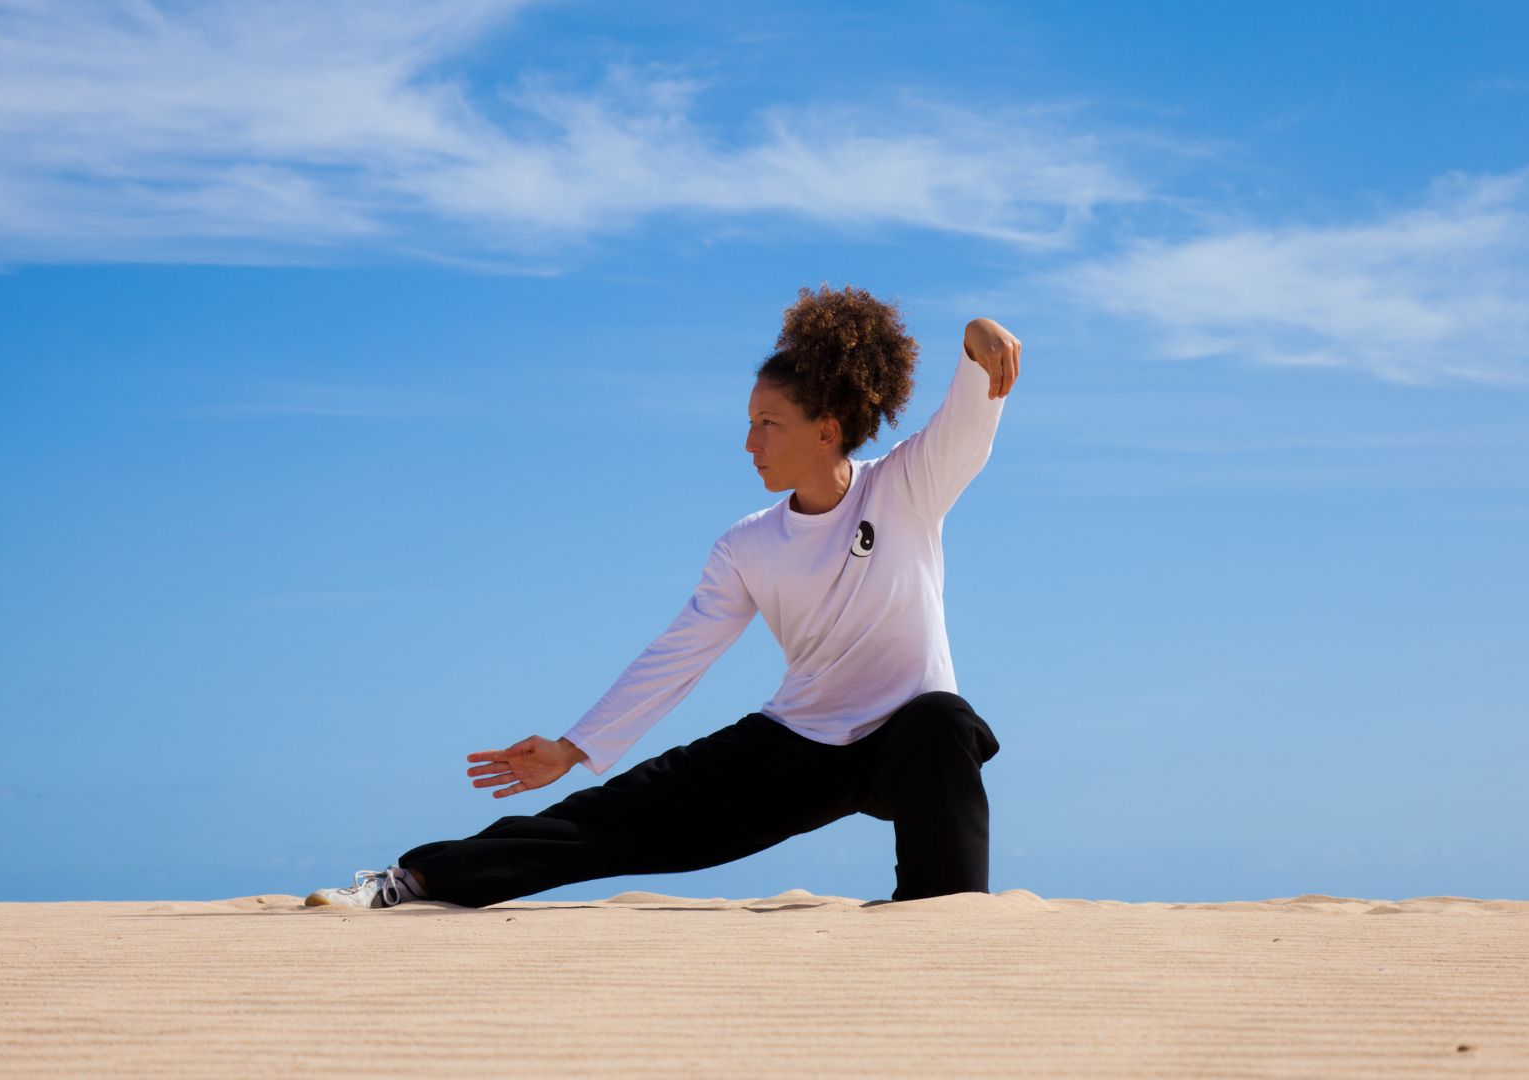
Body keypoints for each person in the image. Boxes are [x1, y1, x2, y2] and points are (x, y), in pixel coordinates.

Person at [307, 283, 1021, 909]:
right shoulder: (746, 546)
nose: (750, 442)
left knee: (943, 721)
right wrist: (572, 747)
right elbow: (676, 656)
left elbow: (967, 416)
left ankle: (946, 924)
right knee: (610, 819)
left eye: (767, 423)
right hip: (801, 743)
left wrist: (975, 337)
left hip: (907, 747)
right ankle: (416, 879)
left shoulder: (904, 487)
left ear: (826, 430)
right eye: (750, 422)